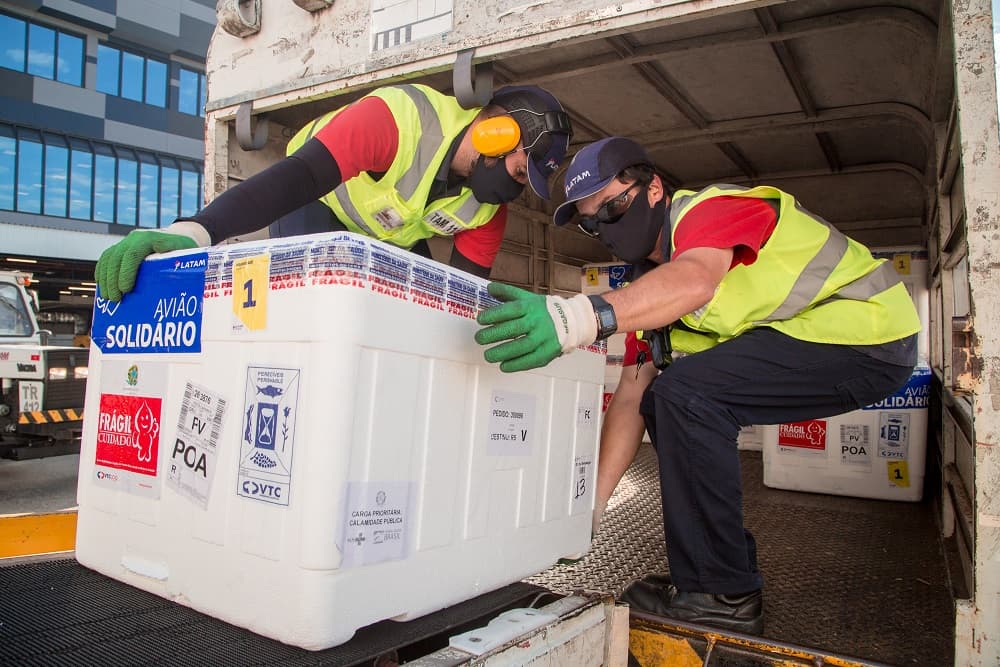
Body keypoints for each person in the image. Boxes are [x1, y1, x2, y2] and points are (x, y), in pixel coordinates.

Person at [474, 136, 920, 634]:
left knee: (683, 394)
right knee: (667, 400)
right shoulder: (647, 287)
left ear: (654, 189)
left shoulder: (708, 211)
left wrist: (578, 318)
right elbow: (629, 398)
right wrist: (590, 508)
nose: (604, 227)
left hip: (868, 333)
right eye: (591, 221)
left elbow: (695, 280)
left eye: (613, 206)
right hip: (814, 341)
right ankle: (715, 576)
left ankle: (720, 592)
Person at [94, 84, 572, 300]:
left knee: (414, 306)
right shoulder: (401, 119)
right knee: (300, 304)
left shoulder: (486, 212)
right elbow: (296, 179)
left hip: (386, 237)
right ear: (499, 133)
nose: (514, 189)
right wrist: (198, 230)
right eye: (518, 171)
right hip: (317, 205)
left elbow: (461, 294)